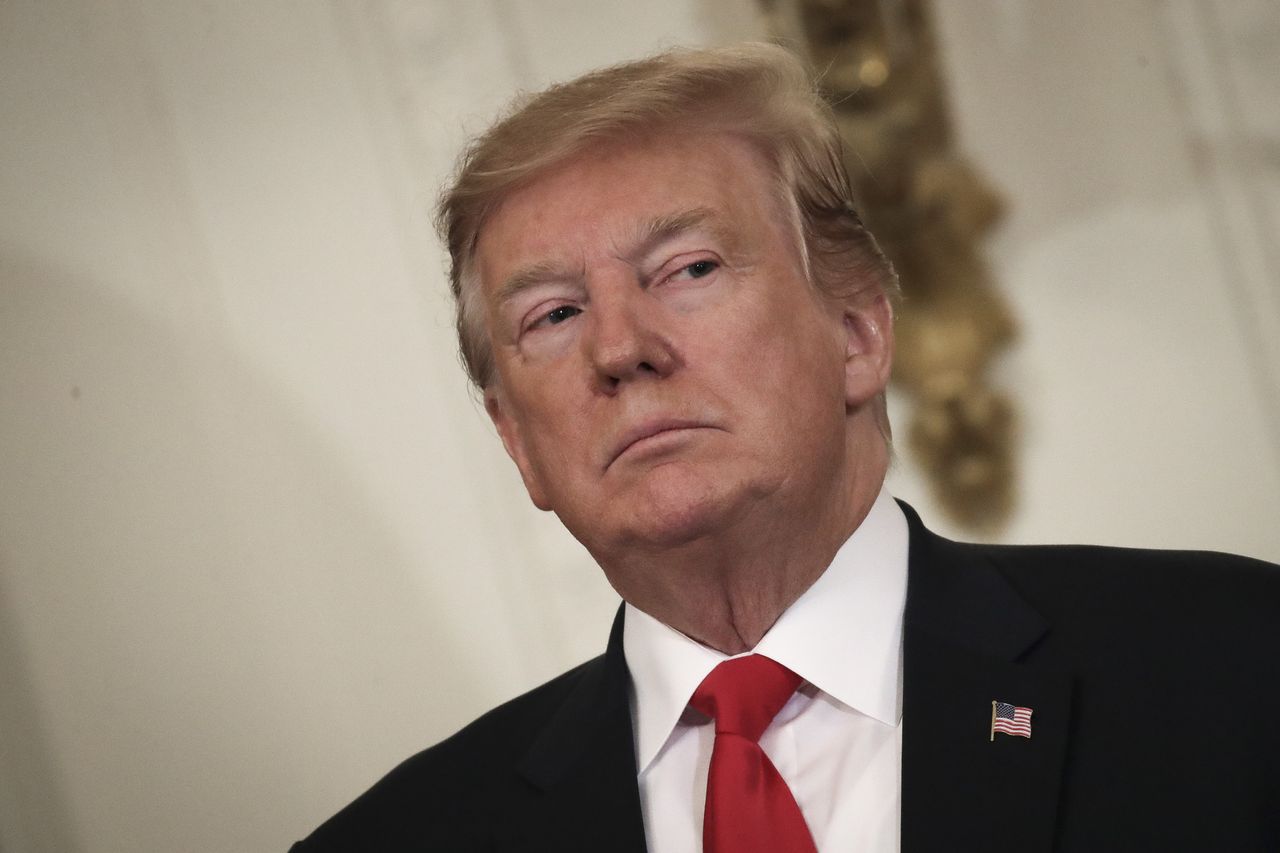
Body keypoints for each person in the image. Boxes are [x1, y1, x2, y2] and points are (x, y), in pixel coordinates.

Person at [291, 43, 1280, 852]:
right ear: (516, 442)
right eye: (552, 313)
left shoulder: (1230, 665)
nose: (621, 348)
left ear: (855, 331)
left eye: (686, 267)